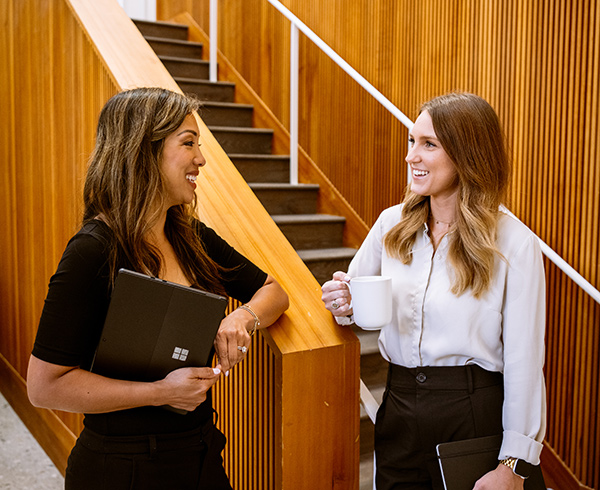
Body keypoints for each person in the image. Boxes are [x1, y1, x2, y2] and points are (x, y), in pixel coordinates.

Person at [27, 87, 289, 490]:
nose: (201, 158)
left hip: (200, 452)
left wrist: (242, 318)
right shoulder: (93, 250)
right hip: (122, 467)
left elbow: (274, 291)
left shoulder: (189, 236)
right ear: (143, 151)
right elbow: (44, 387)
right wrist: (158, 392)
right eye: (188, 143)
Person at [321, 92, 546, 490]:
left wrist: (514, 466)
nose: (411, 156)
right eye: (412, 141)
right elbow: (351, 296)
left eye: (429, 144)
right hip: (400, 404)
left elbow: (524, 362)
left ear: (467, 154)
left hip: (473, 411)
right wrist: (341, 301)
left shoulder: (514, 243)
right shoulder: (391, 223)